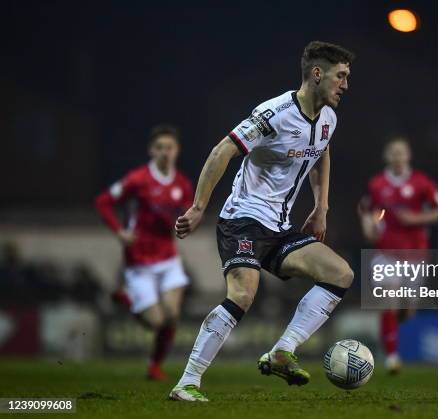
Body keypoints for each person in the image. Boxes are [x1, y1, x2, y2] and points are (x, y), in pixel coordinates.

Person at [169, 41, 355, 402]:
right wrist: (198, 207)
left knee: (341, 274)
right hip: (243, 220)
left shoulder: (329, 118)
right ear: (317, 74)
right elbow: (222, 150)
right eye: (341, 76)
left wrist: (322, 208)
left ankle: (282, 352)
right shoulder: (274, 114)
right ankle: (187, 382)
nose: (346, 85)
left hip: (280, 227)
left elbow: (322, 152)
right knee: (243, 293)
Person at [95, 125, 193, 380]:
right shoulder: (138, 179)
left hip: (168, 257)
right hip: (139, 260)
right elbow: (104, 201)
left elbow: (189, 214)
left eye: (169, 148)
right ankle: (127, 297)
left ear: (177, 151)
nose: (164, 152)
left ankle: (154, 366)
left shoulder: (182, 184)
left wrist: (188, 223)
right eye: (159, 148)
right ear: (151, 150)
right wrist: (119, 231)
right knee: (155, 322)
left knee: (172, 316)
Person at [358, 138, 438, 373]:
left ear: (408, 156)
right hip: (386, 253)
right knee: (388, 297)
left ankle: (393, 329)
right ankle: (392, 357)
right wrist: (369, 224)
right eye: (393, 153)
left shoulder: (422, 182)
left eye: (401, 153)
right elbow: (371, 212)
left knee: (406, 312)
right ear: (386, 157)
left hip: (416, 255)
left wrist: (416, 219)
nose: (397, 157)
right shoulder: (377, 184)